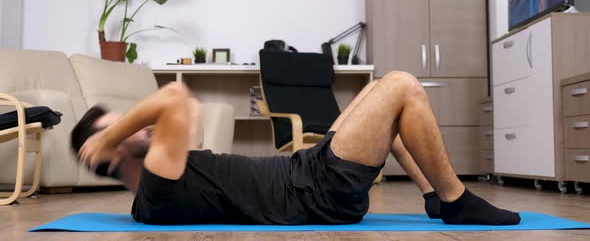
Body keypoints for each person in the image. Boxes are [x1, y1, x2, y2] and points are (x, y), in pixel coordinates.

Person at [73, 72, 521, 226]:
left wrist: (111, 135)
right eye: (117, 131)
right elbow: (173, 96)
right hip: (315, 194)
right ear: (107, 154)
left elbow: (175, 105)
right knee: (402, 86)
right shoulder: (155, 190)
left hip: (305, 172)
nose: (138, 123)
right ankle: (456, 199)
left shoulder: (157, 178)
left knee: (375, 91)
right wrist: (106, 138)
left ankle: (432, 197)